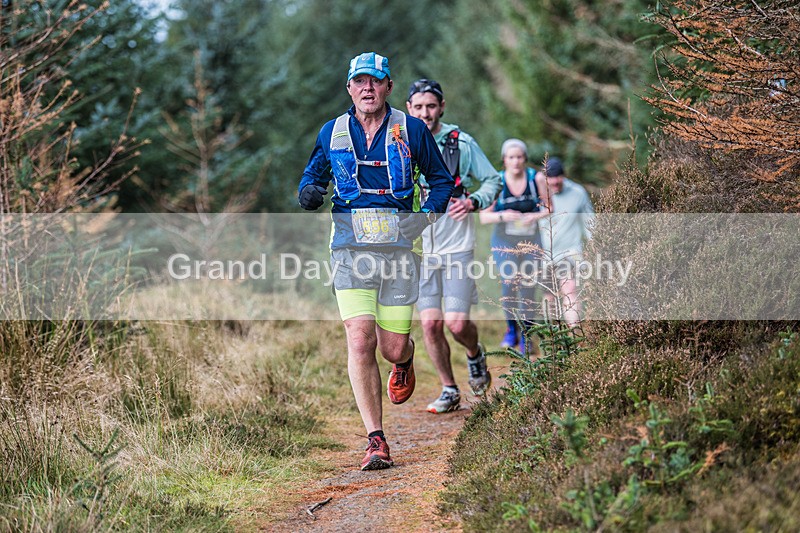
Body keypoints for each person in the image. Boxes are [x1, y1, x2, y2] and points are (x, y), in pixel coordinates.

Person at [298, 53, 453, 470]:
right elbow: (312, 177)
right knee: (360, 338)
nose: (368, 88)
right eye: (359, 81)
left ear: (387, 87)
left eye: (376, 81)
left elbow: (441, 182)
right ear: (349, 88)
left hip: (400, 251)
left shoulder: (413, 129)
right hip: (349, 248)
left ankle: (403, 360)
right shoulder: (332, 131)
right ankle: (376, 440)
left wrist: (423, 219)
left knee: (391, 346)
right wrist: (309, 192)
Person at [405, 78, 503, 414]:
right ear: (409, 109)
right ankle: (449, 389)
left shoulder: (460, 143)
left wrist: (474, 201)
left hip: (457, 243)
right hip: (420, 249)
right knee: (430, 324)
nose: (425, 113)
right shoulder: (400, 142)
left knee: (457, 324)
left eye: (431, 106)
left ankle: (475, 355)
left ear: (441, 107)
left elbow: (494, 180)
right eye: (418, 107)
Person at [479, 139, 551, 353]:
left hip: (531, 239)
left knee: (528, 285)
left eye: (519, 157)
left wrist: (533, 216)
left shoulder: (535, 178)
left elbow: (549, 207)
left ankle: (527, 337)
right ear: (504, 160)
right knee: (509, 283)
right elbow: (484, 217)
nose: (516, 161)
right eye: (511, 157)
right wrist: (503, 215)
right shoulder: (498, 182)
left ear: (525, 159)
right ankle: (511, 330)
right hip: (504, 240)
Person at [536, 157, 594, 327]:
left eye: (558, 177)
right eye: (550, 178)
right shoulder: (539, 194)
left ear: (564, 176)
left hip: (570, 251)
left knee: (569, 290)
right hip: (544, 253)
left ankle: (574, 333)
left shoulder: (578, 192)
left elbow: (590, 221)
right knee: (549, 297)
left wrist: (595, 243)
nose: (554, 182)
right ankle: (554, 340)